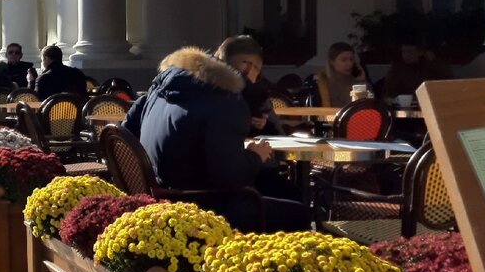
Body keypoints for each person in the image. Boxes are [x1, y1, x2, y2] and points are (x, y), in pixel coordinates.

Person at [123, 45, 310, 233]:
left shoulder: (157, 92)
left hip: (160, 195)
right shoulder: (225, 102)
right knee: (298, 212)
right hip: (203, 206)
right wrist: (255, 156)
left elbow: (125, 133)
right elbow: (229, 177)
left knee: (277, 188)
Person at [214, 35, 284, 136]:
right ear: (248, 68)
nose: (257, 78)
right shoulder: (252, 94)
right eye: (258, 71)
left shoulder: (196, 86)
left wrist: (260, 125)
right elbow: (279, 137)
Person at [383, 40, 452, 99]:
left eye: (410, 52)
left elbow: (446, 83)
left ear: (420, 53)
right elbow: (389, 92)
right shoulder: (397, 68)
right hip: (403, 104)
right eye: (404, 52)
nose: (406, 55)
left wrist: (434, 62)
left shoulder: (430, 67)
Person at [312, 42, 371, 107]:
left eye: (351, 60)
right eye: (344, 60)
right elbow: (348, 105)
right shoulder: (326, 82)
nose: (349, 64)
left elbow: (368, 104)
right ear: (332, 61)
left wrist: (361, 82)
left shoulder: (355, 78)